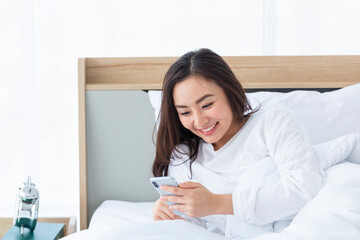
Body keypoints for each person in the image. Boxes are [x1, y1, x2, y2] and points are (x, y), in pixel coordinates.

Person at [151, 48, 325, 238]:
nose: (200, 121)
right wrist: (172, 217)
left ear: (229, 90)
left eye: (207, 105)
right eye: (185, 112)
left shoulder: (272, 122)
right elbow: (195, 230)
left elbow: (303, 189)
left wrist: (218, 203)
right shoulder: (184, 156)